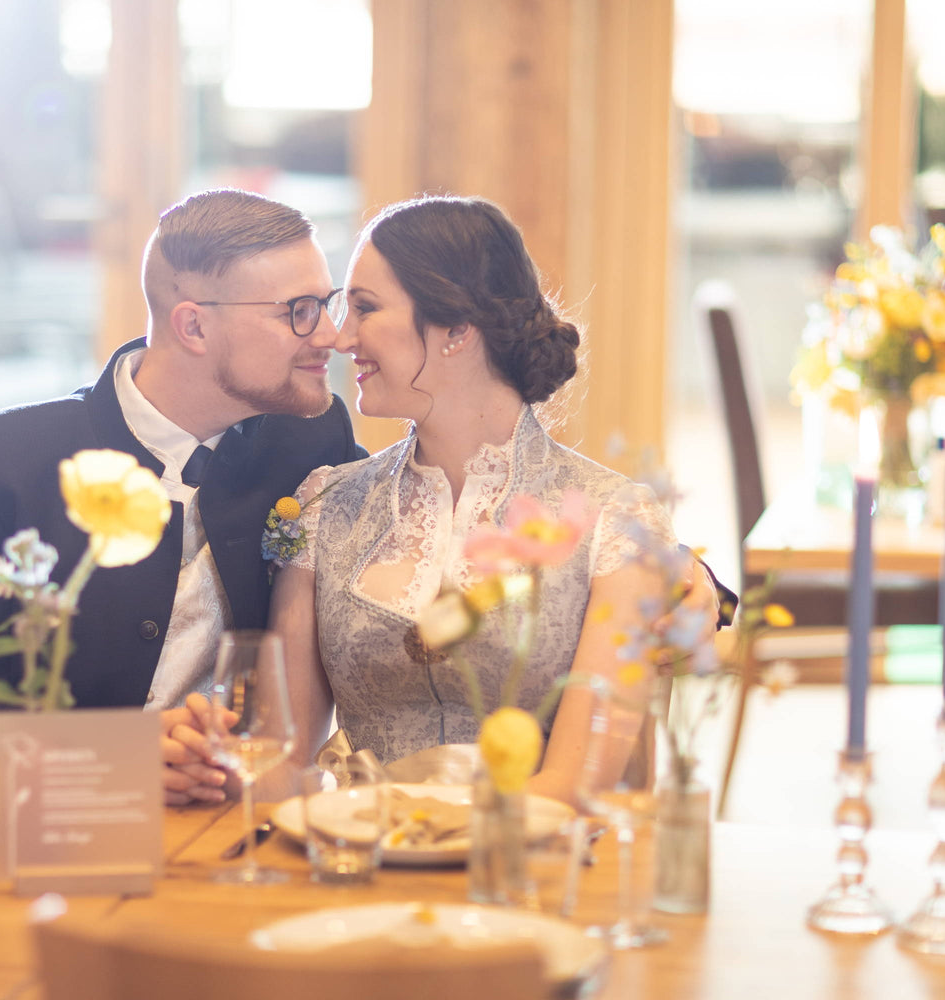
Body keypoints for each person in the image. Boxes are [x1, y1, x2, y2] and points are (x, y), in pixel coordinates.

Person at [0, 189, 361, 804]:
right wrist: (116, 757)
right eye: (299, 311)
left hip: (231, 816)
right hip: (45, 825)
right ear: (194, 326)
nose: (331, 334)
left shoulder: (310, 442)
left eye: (327, 304)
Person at [268, 195, 680, 805]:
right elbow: (281, 761)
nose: (341, 336)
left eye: (366, 308)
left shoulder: (615, 522)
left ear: (457, 329)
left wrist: (442, 842)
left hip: (525, 854)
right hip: (355, 848)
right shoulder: (324, 506)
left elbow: (574, 786)